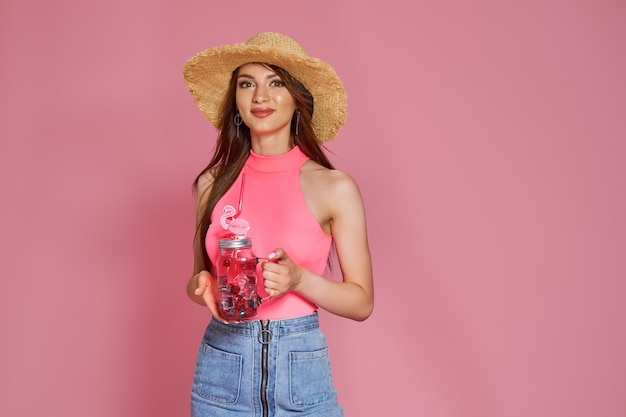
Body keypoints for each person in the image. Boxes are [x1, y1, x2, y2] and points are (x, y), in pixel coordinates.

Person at [182, 32, 374, 417]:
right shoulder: (211, 183)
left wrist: (298, 280)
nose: (260, 97)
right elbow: (197, 279)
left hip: (299, 367)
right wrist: (200, 286)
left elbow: (361, 302)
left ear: (297, 98)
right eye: (247, 84)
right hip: (223, 367)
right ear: (235, 101)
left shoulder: (334, 187)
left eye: (276, 83)